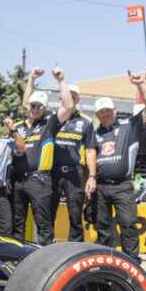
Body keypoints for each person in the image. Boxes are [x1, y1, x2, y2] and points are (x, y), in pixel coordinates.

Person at [92, 73, 146, 260]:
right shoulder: (94, 134)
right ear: (97, 114)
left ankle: (132, 261)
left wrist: (142, 85)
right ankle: (103, 260)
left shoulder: (130, 125)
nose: (105, 114)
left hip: (122, 186)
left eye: (108, 110)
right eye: (101, 112)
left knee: (128, 224)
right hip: (101, 186)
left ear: (115, 109)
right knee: (102, 226)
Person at [11, 68, 74, 244]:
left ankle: (44, 261)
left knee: (43, 225)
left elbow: (68, 107)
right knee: (18, 224)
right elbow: (26, 100)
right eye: (32, 105)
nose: (35, 108)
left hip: (39, 180)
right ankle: (17, 259)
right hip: (18, 180)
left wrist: (61, 80)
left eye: (39, 106)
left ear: (44, 108)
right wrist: (31, 78)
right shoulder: (18, 126)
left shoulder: (49, 124)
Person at [41, 81, 97, 241]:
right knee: (48, 212)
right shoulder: (51, 119)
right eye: (68, 96)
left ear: (78, 99)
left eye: (74, 97)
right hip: (52, 172)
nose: (70, 99)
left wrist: (92, 176)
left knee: (75, 214)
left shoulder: (86, 121)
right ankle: (46, 248)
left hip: (75, 173)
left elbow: (90, 149)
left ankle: (75, 248)